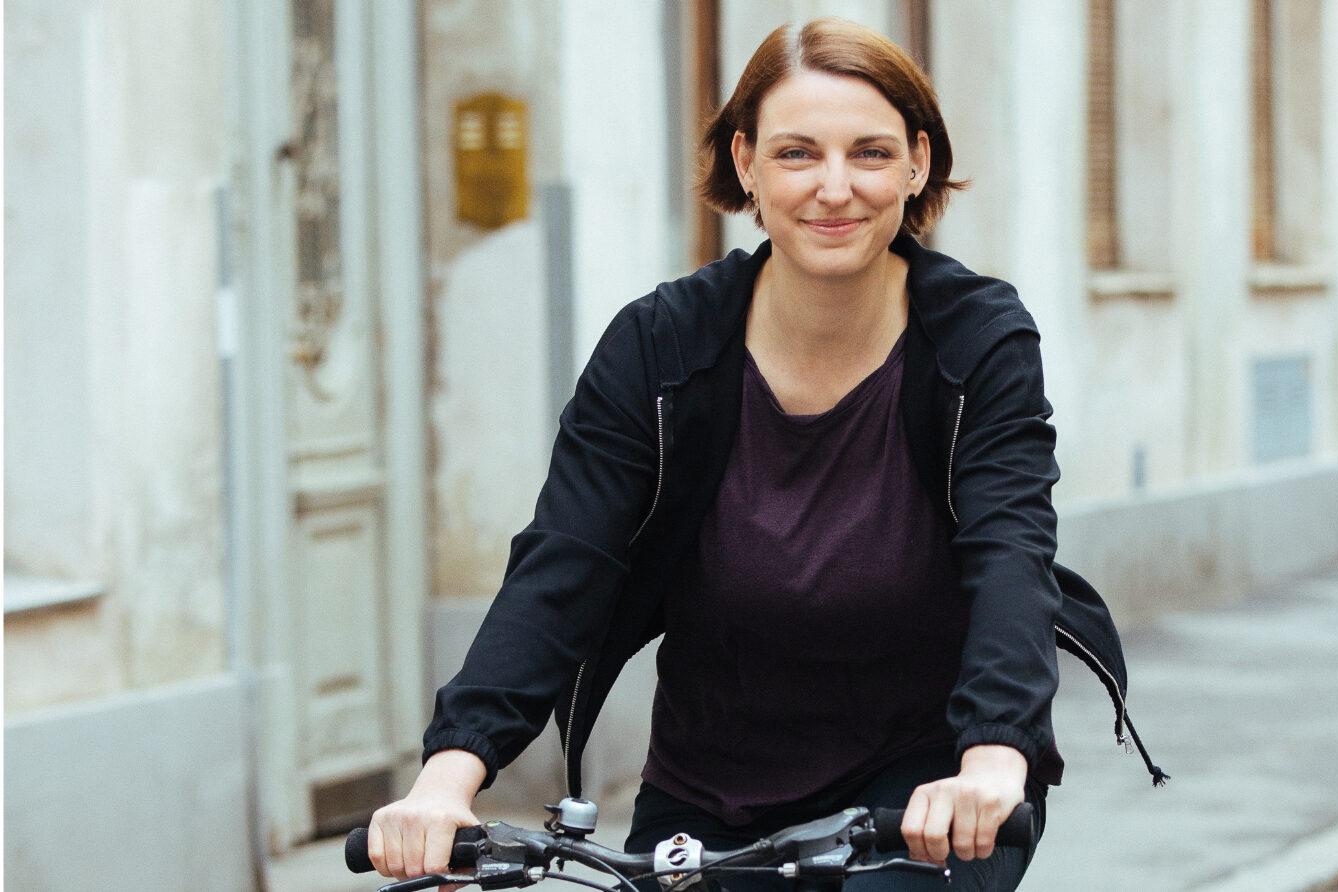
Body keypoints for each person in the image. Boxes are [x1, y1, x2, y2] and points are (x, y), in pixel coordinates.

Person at [366, 17, 1160, 891]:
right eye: (795, 154)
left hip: (923, 789)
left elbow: (1011, 552)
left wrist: (995, 759)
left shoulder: (977, 342)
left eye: (868, 152)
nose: (834, 188)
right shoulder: (660, 347)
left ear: (917, 164)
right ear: (744, 163)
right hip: (711, 794)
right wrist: (447, 780)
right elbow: (563, 564)